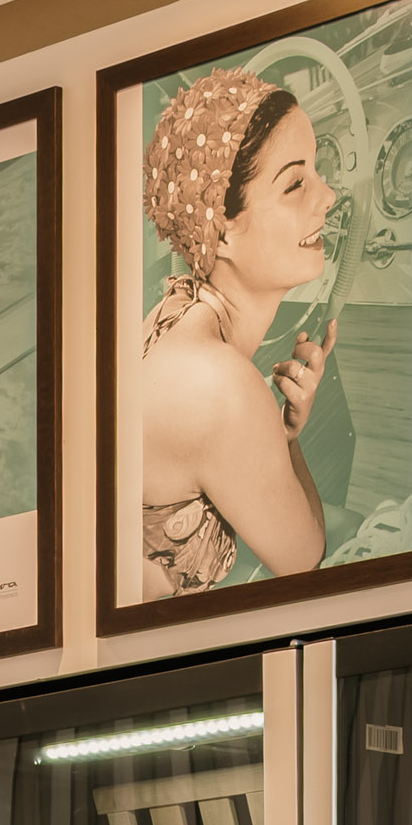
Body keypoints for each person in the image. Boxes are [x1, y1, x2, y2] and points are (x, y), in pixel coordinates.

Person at [132, 68, 340, 597]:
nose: (330, 196)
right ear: (221, 230)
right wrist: (285, 436)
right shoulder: (219, 386)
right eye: (296, 184)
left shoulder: (172, 312)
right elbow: (303, 558)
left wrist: (276, 432)